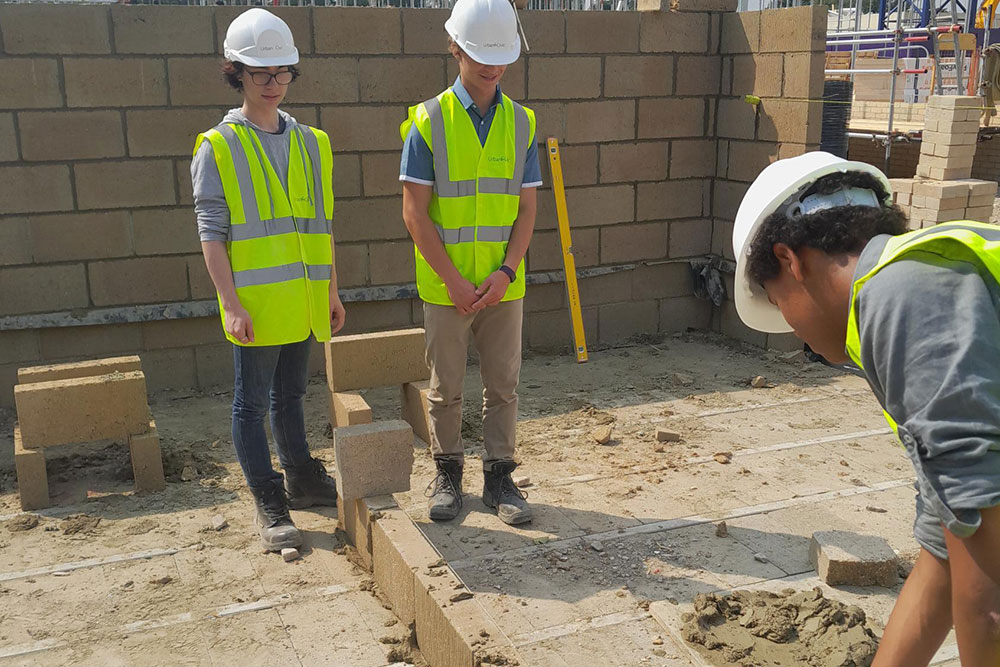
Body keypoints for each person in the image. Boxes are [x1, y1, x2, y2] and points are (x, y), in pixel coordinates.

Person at [732, 151, 1000, 666]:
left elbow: (990, 604)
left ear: (791, 260)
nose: (790, 326)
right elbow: (947, 556)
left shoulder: (906, 299)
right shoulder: (916, 288)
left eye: (777, 299)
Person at [191, 8, 346, 552]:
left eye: (283, 73)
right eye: (262, 74)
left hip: (303, 302)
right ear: (236, 73)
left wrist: (330, 289)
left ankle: (302, 478)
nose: (274, 84)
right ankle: (269, 498)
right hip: (254, 305)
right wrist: (229, 304)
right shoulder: (219, 146)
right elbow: (212, 236)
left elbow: (321, 224)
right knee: (251, 406)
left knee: (291, 397)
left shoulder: (312, 142)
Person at [399, 0, 542, 525]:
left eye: (502, 55)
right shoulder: (428, 122)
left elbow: (527, 210)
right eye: (481, 54)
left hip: (504, 286)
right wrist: (455, 281)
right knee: (446, 390)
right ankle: (448, 473)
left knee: (504, 386)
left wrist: (505, 273)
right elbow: (415, 214)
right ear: (454, 47)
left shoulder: (521, 123)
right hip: (447, 287)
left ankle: (500, 477)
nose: (492, 66)